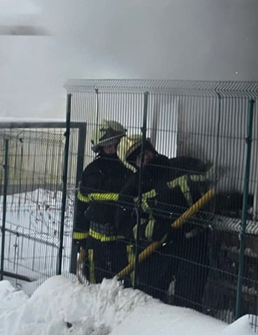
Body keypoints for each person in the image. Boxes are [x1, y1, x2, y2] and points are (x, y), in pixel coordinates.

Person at [117, 134, 216, 309]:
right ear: (134, 164)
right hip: (158, 248)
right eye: (139, 157)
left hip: (193, 243)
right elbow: (125, 225)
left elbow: (212, 174)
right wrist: (155, 229)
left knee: (189, 301)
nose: (145, 157)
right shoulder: (133, 188)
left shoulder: (181, 165)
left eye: (146, 152)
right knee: (149, 299)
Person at [72, 120, 133, 282]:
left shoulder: (128, 172)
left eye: (114, 144)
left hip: (121, 242)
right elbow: (81, 206)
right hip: (95, 243)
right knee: (95, 284)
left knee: (122, 286)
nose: (111, 149)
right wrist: (80, 238)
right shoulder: (91, 172)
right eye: (107, 146)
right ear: (100, 147)